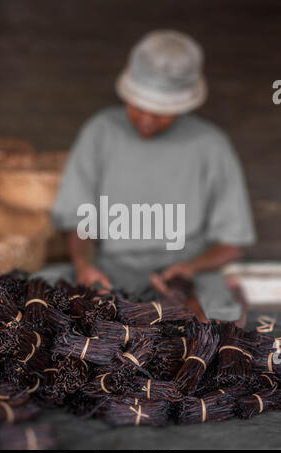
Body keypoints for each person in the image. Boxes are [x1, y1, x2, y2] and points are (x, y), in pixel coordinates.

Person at [50, 30, 256, 322]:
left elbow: (232, 242)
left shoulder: (211, 145)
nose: (146, 120)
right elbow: (78, 218)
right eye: (138, 107)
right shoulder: (100, 132)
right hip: (111, 273)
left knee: (220, 318)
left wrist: (192, 268)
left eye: (161, 112)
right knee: (41, 297)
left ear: (183, 105)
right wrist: (84, 264)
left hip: (186, 275)